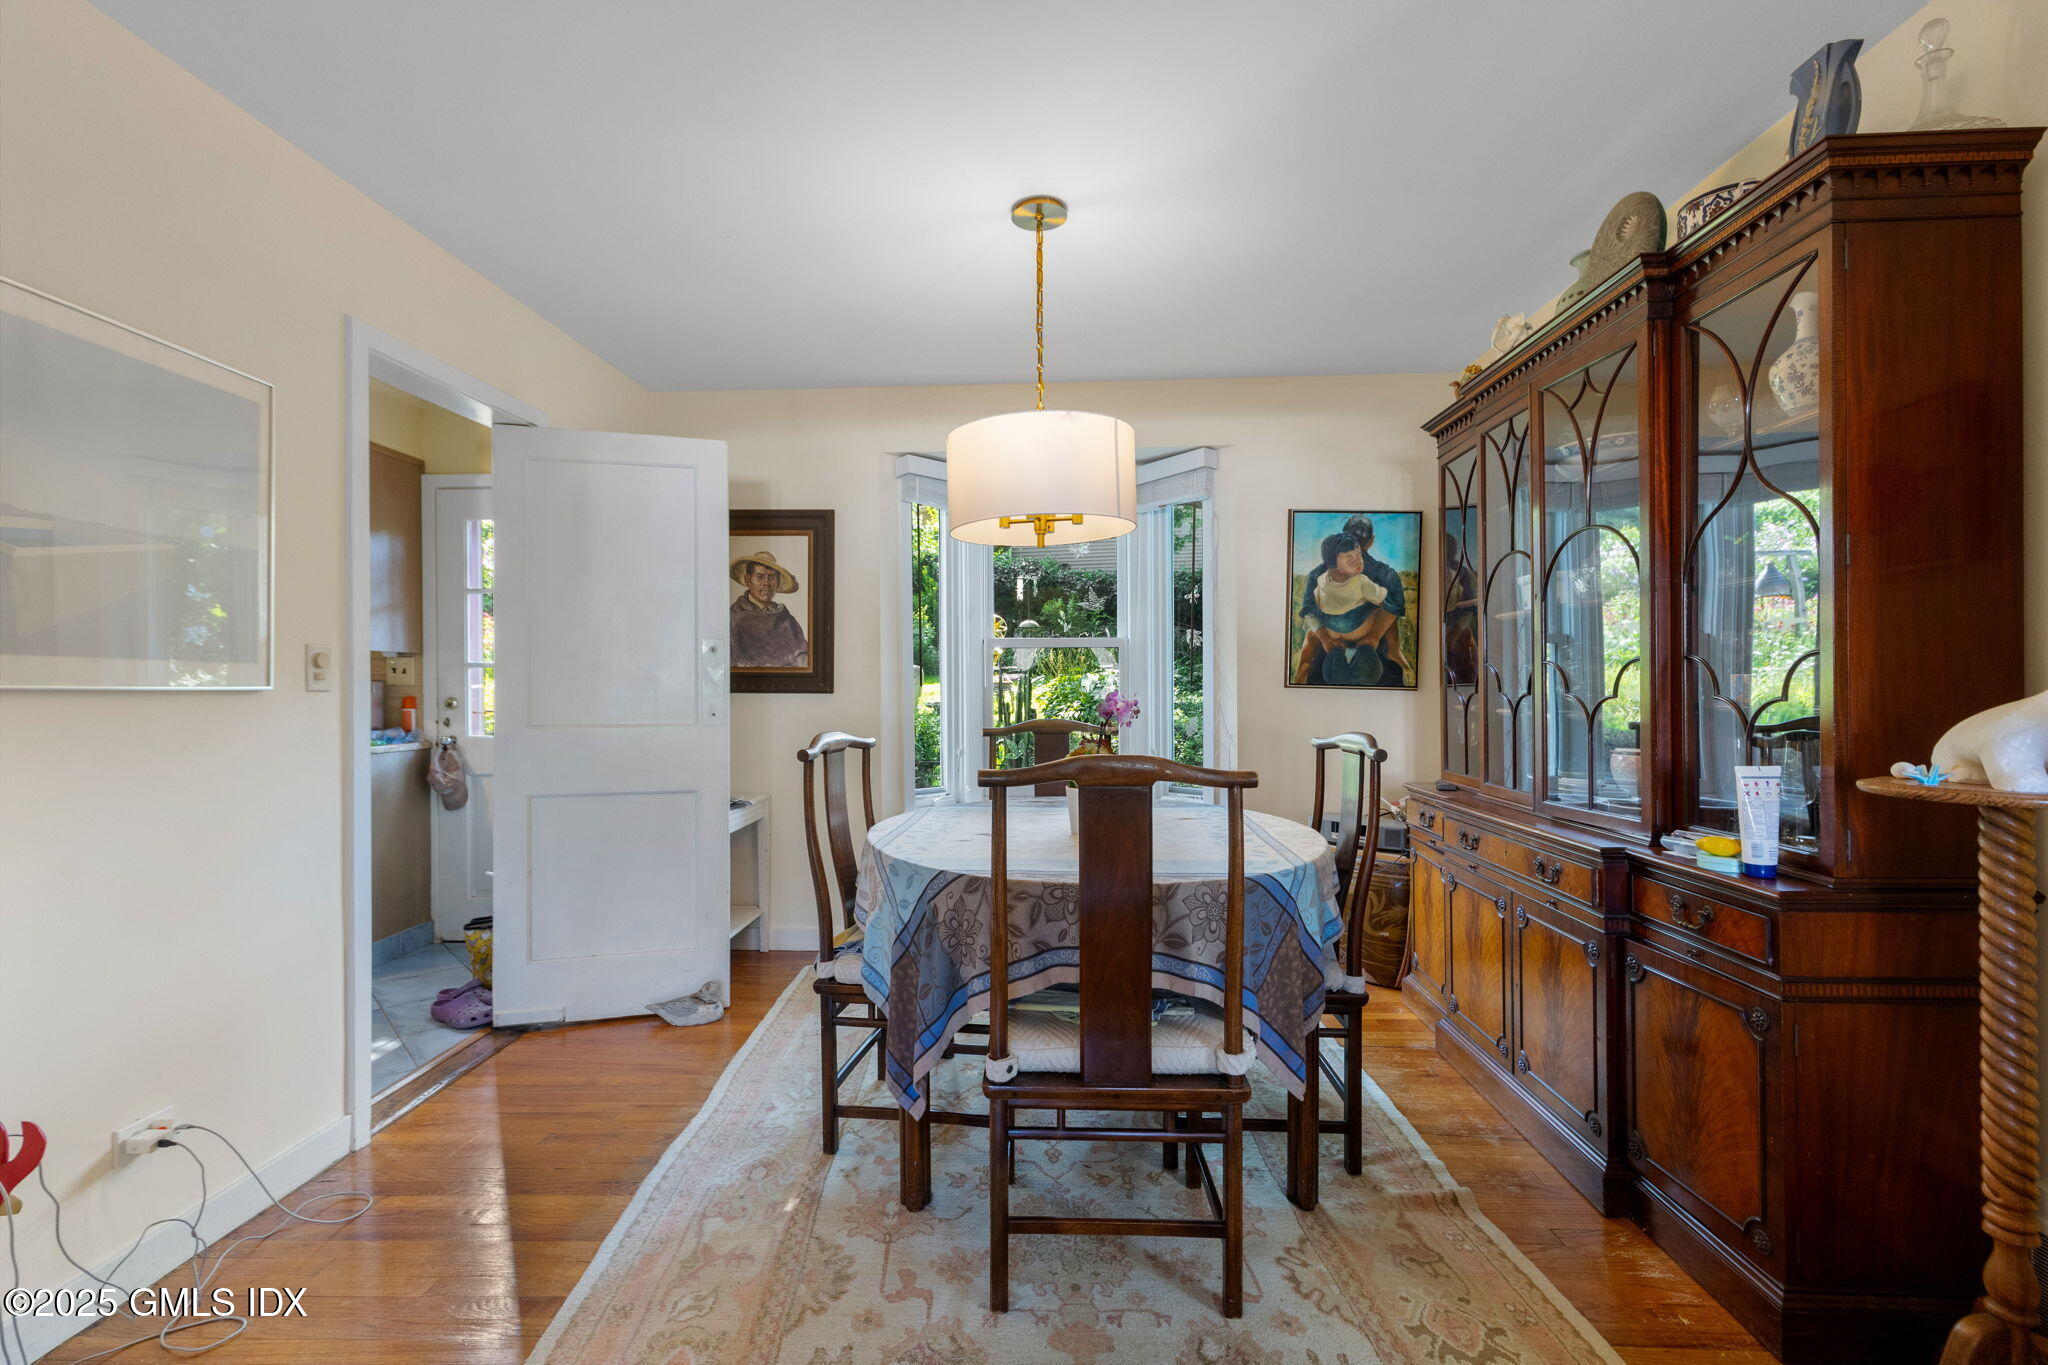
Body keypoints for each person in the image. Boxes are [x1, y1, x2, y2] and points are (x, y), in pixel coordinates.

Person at [1293, 516, 1411, 686]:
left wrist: (1325, 638)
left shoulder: (1316, 575)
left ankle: (1301, 672)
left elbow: (1309, 610)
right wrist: (1374, 635)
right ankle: (1394, 650)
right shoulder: (1386, 573)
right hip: (1364, 641)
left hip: (1333, 641)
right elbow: (1395, 605)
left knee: (1311, 641)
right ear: (1371, 541)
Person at [729, 550, 809, 669]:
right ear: (748, 580)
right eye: (760, 577)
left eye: (771, 577)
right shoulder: (734, 618)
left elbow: (804, 659)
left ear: (777, 582)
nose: (766, 583)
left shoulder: (786, 619)